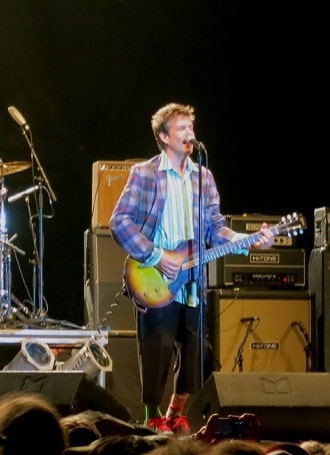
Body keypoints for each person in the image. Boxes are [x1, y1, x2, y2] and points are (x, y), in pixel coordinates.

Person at [109, 102, 275, 435]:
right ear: (163, 136)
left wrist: (249, 240)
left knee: (197, 352)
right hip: (154, 276)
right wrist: (156, 255)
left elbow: (216, 228)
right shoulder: (145, 174)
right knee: (156, 347)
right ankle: (152, 416)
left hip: (192, 279)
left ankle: (175, 411)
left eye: (191, 127)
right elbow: (119, 221)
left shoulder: (204, 177)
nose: (190, 133)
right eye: (182, 128)